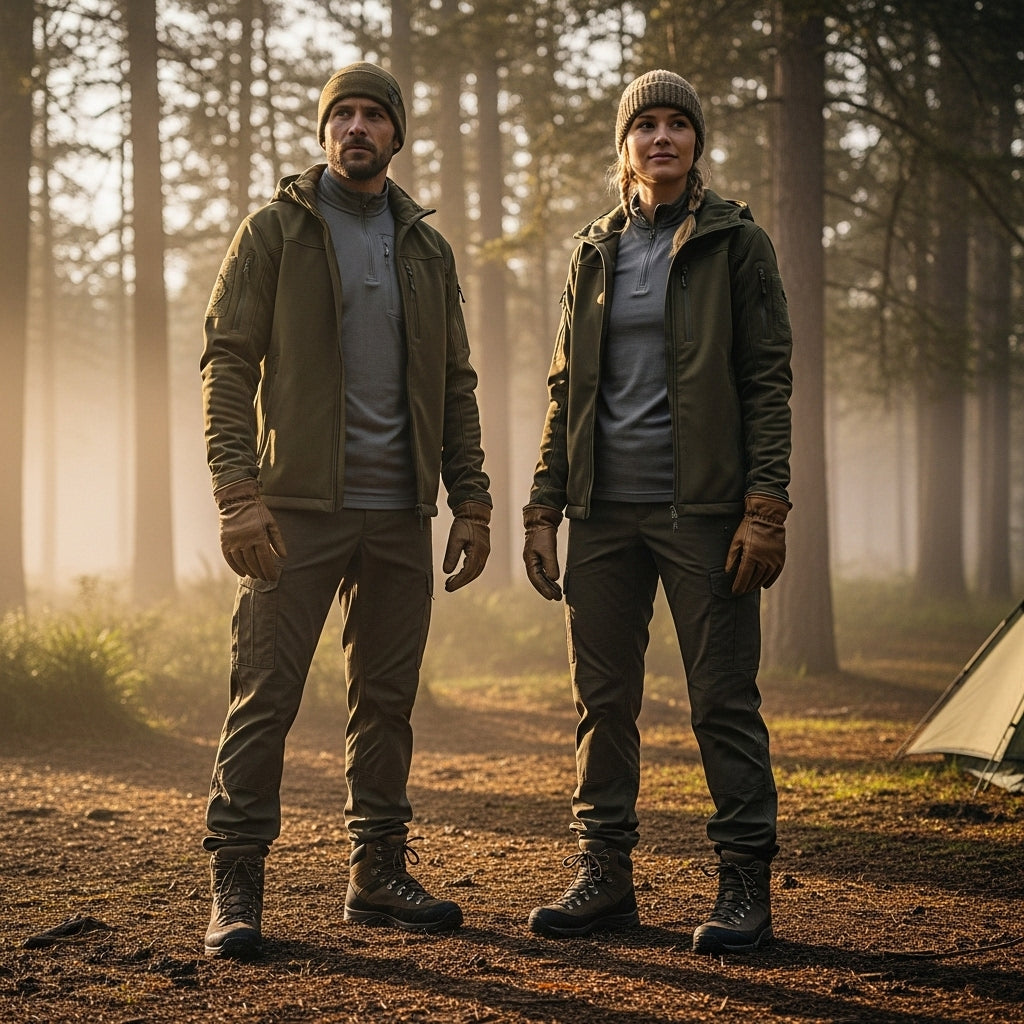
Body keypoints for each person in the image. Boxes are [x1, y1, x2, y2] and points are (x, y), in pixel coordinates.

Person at [199, 61, 491, 958]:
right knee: (265, 694)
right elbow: (227, 362)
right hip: (293, 512)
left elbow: (455, 382)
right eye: (343, 116)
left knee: (387, 701)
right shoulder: (273, 233)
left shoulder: (426, 250)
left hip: (401, 512)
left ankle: (377, 873)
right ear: (324, 132)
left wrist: (470, 499)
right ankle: (236, 884)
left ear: (397, 135)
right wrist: (238, 494)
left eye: (374, 116)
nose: (357, 128)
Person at [521, 69, 792, 955]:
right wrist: (543, 506)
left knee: (721, 699)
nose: (662, 139)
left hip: (705, 512)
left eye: (679, 125)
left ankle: (744, 882)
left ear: (696, 144)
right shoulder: (592, 253)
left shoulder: (737, 243)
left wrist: (766, 507)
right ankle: (604, 878)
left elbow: (765, 380)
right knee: (603, 701)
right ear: (624, 145)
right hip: (602, 514)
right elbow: (566, 387)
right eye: (647, 126)